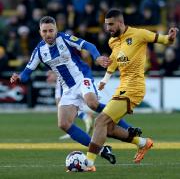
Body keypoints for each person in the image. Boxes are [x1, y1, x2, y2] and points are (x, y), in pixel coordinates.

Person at [10, 16, 141, 164]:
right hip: (67, 88)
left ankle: (129, 128)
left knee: (92, 103)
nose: (48, 34)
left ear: (56, 30)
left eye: (51, 30)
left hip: (82, 78)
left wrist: (97, 57)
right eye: (45, 31)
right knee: (63, 124)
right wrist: (19, 78)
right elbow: (27, 72)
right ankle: (102, 150)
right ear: (40, 32)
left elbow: (88, 45)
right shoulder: (39, 51)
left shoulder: (65, 38)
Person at [86, 9, 179, 172]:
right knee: (108, 128)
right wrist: (104, 81)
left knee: (100, 121)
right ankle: (143, 143)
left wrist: (170, 38)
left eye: (111, 24)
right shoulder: (112, 42)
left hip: (134, 87)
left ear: (120, 23)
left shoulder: (139, 34)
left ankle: (87, 163)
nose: (108, 28)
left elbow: (163, 40)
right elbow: (113, 62)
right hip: (122, 87)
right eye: (106, 25)